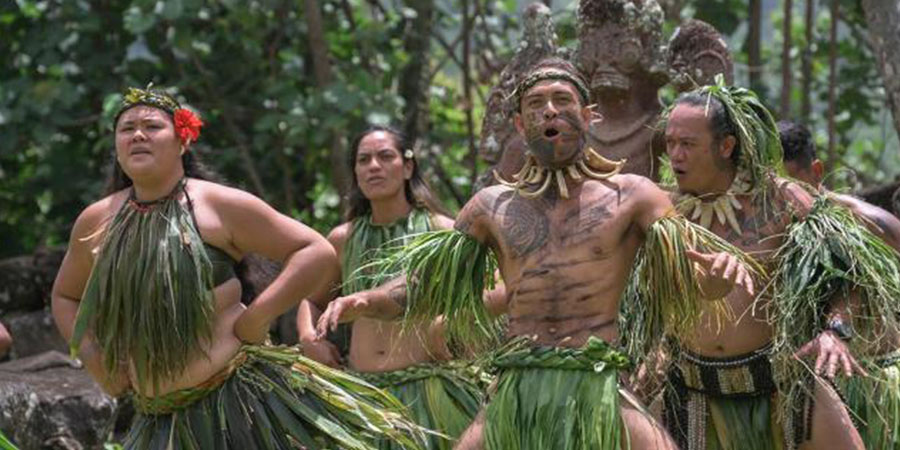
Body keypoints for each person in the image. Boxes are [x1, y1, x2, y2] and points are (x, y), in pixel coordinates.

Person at [315, 58, 758, 450]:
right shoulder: (490, 207)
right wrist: (366, 301)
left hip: (596, 381)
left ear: (589, 116)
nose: (550, 111)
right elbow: (426, 286)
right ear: (520, 126)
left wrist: (717, 277)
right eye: (536, 104)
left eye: (563, 100)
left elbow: (692, 273)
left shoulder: (634, 197)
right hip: (516, 385)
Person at [51, 86, 424, 449]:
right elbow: (66, 295)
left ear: (182, 141)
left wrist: (258, 318)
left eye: (152, 127)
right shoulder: (97, 220)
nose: (138, 135)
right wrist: (97, 362)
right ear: (116, 148)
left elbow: (314, 251)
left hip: (238, 407)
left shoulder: (215, 205)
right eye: (127, 129)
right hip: (157, 421)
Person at [659, 79, 900, 449]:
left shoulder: (782, 200)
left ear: (726, 146)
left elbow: (851, 272)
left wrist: (836, 332)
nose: (675, 155)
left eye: (687, 144)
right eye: (670, 143)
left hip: (784, 384)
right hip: (693, 391)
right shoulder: (661, 210)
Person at [296, 125, 487, 449]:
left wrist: (451, 330)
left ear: (407, 167)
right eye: (363, 160)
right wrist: (308, 339)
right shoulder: (344, 238)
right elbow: (310, 299)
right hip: (362, 393)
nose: (373, 166)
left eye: (385, 157)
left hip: (430, 393)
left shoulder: (440, 231)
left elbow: (482, 295)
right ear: (355, 172)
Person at [780, 119, 900, 449]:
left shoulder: (870, 224)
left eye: (791, 184)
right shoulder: (766, 233)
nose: (784, 197)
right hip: (808, 394)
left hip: (874, 389)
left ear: (816, 172)